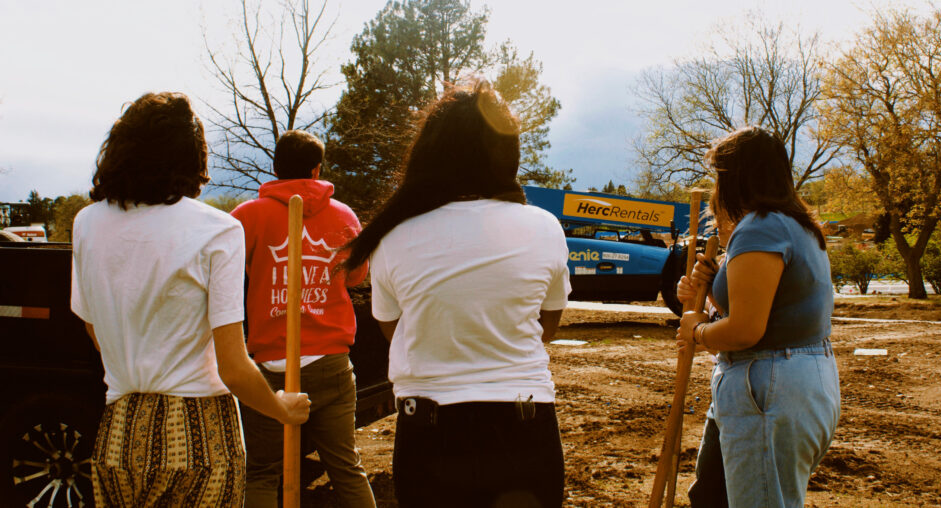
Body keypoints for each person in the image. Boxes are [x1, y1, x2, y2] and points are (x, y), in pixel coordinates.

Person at [338, 80, 570, 508]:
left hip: (430, 434)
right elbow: (546, 327)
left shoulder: (394, 236)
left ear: (431, 154)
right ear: (507, 156)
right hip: (525, 426)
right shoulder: (543, 227)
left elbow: (394, 328)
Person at [71, 92, 310, 507]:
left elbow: (94, 328)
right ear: (192, 158)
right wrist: (280, 407)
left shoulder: (87, 223)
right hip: (199, 435)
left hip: (118, 435)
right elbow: (233, 367)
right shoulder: (216, 229)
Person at [676, 126, 841, 507]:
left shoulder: (761, 227)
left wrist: (698, 330)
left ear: (736, 178)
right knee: (712, 496)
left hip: (766, 387)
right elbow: (771, 306)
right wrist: (714, 286)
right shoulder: (794, 226)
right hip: (787, 381)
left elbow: (747, 329)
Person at [230, 129, 376, 507]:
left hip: (269, 362)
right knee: (346, 466)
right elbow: (357, 275)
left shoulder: (246, 216)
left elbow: (224, 273)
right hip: (328, 360)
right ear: (316, 169)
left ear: (276, 168)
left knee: (261, 471)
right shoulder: (342, 215)